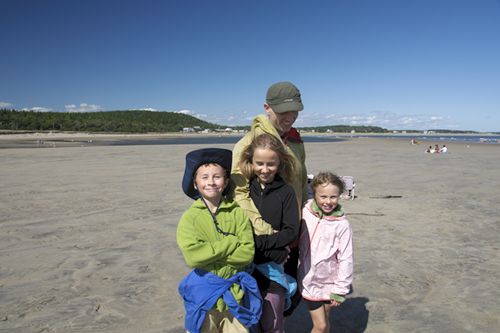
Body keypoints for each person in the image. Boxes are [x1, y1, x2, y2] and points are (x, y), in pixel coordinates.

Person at [231, 81, 308, 315]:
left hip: (292, 231)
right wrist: (267, 232)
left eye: (294, 110)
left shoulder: (294, 141)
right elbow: (239, 193)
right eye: (283, 111)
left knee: (289, 300)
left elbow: (301, 182)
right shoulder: (248, 144)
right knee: (263, 302)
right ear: (267, 107)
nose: (290, 117)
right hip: (265, 240)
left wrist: (308, 213)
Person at [177, 148, 261, 333]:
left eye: (217, 176)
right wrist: (231, 243)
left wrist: (211, 253)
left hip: (235, 295)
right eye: (204, 177)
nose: (211, 182)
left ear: (226, 181)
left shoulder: (237, 212)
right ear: (195, 183)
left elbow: (247, 253)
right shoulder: (190, 218)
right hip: (204, 297)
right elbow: (193, 257)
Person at [239, 133, 300, 332]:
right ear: (251, 161)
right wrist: (274, 248)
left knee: (273, 325)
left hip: (274, 271)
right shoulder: (245, 189)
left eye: (270, 164)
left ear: (279, 162)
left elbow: (291, 231)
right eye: (259, 163)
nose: (264, 170)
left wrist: (261, 244)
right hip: (248, 271)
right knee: (251, 324)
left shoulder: (286, 192)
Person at [298, 172, 353, 333]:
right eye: (323, 196)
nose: (328, 202)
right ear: (314, 193)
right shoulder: (306, 211)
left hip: (331, 282)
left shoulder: (342, 224)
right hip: (309, 279)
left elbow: (346, 257)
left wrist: (340, 289)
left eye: (333, 197)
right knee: (320, 325)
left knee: (324, 322)